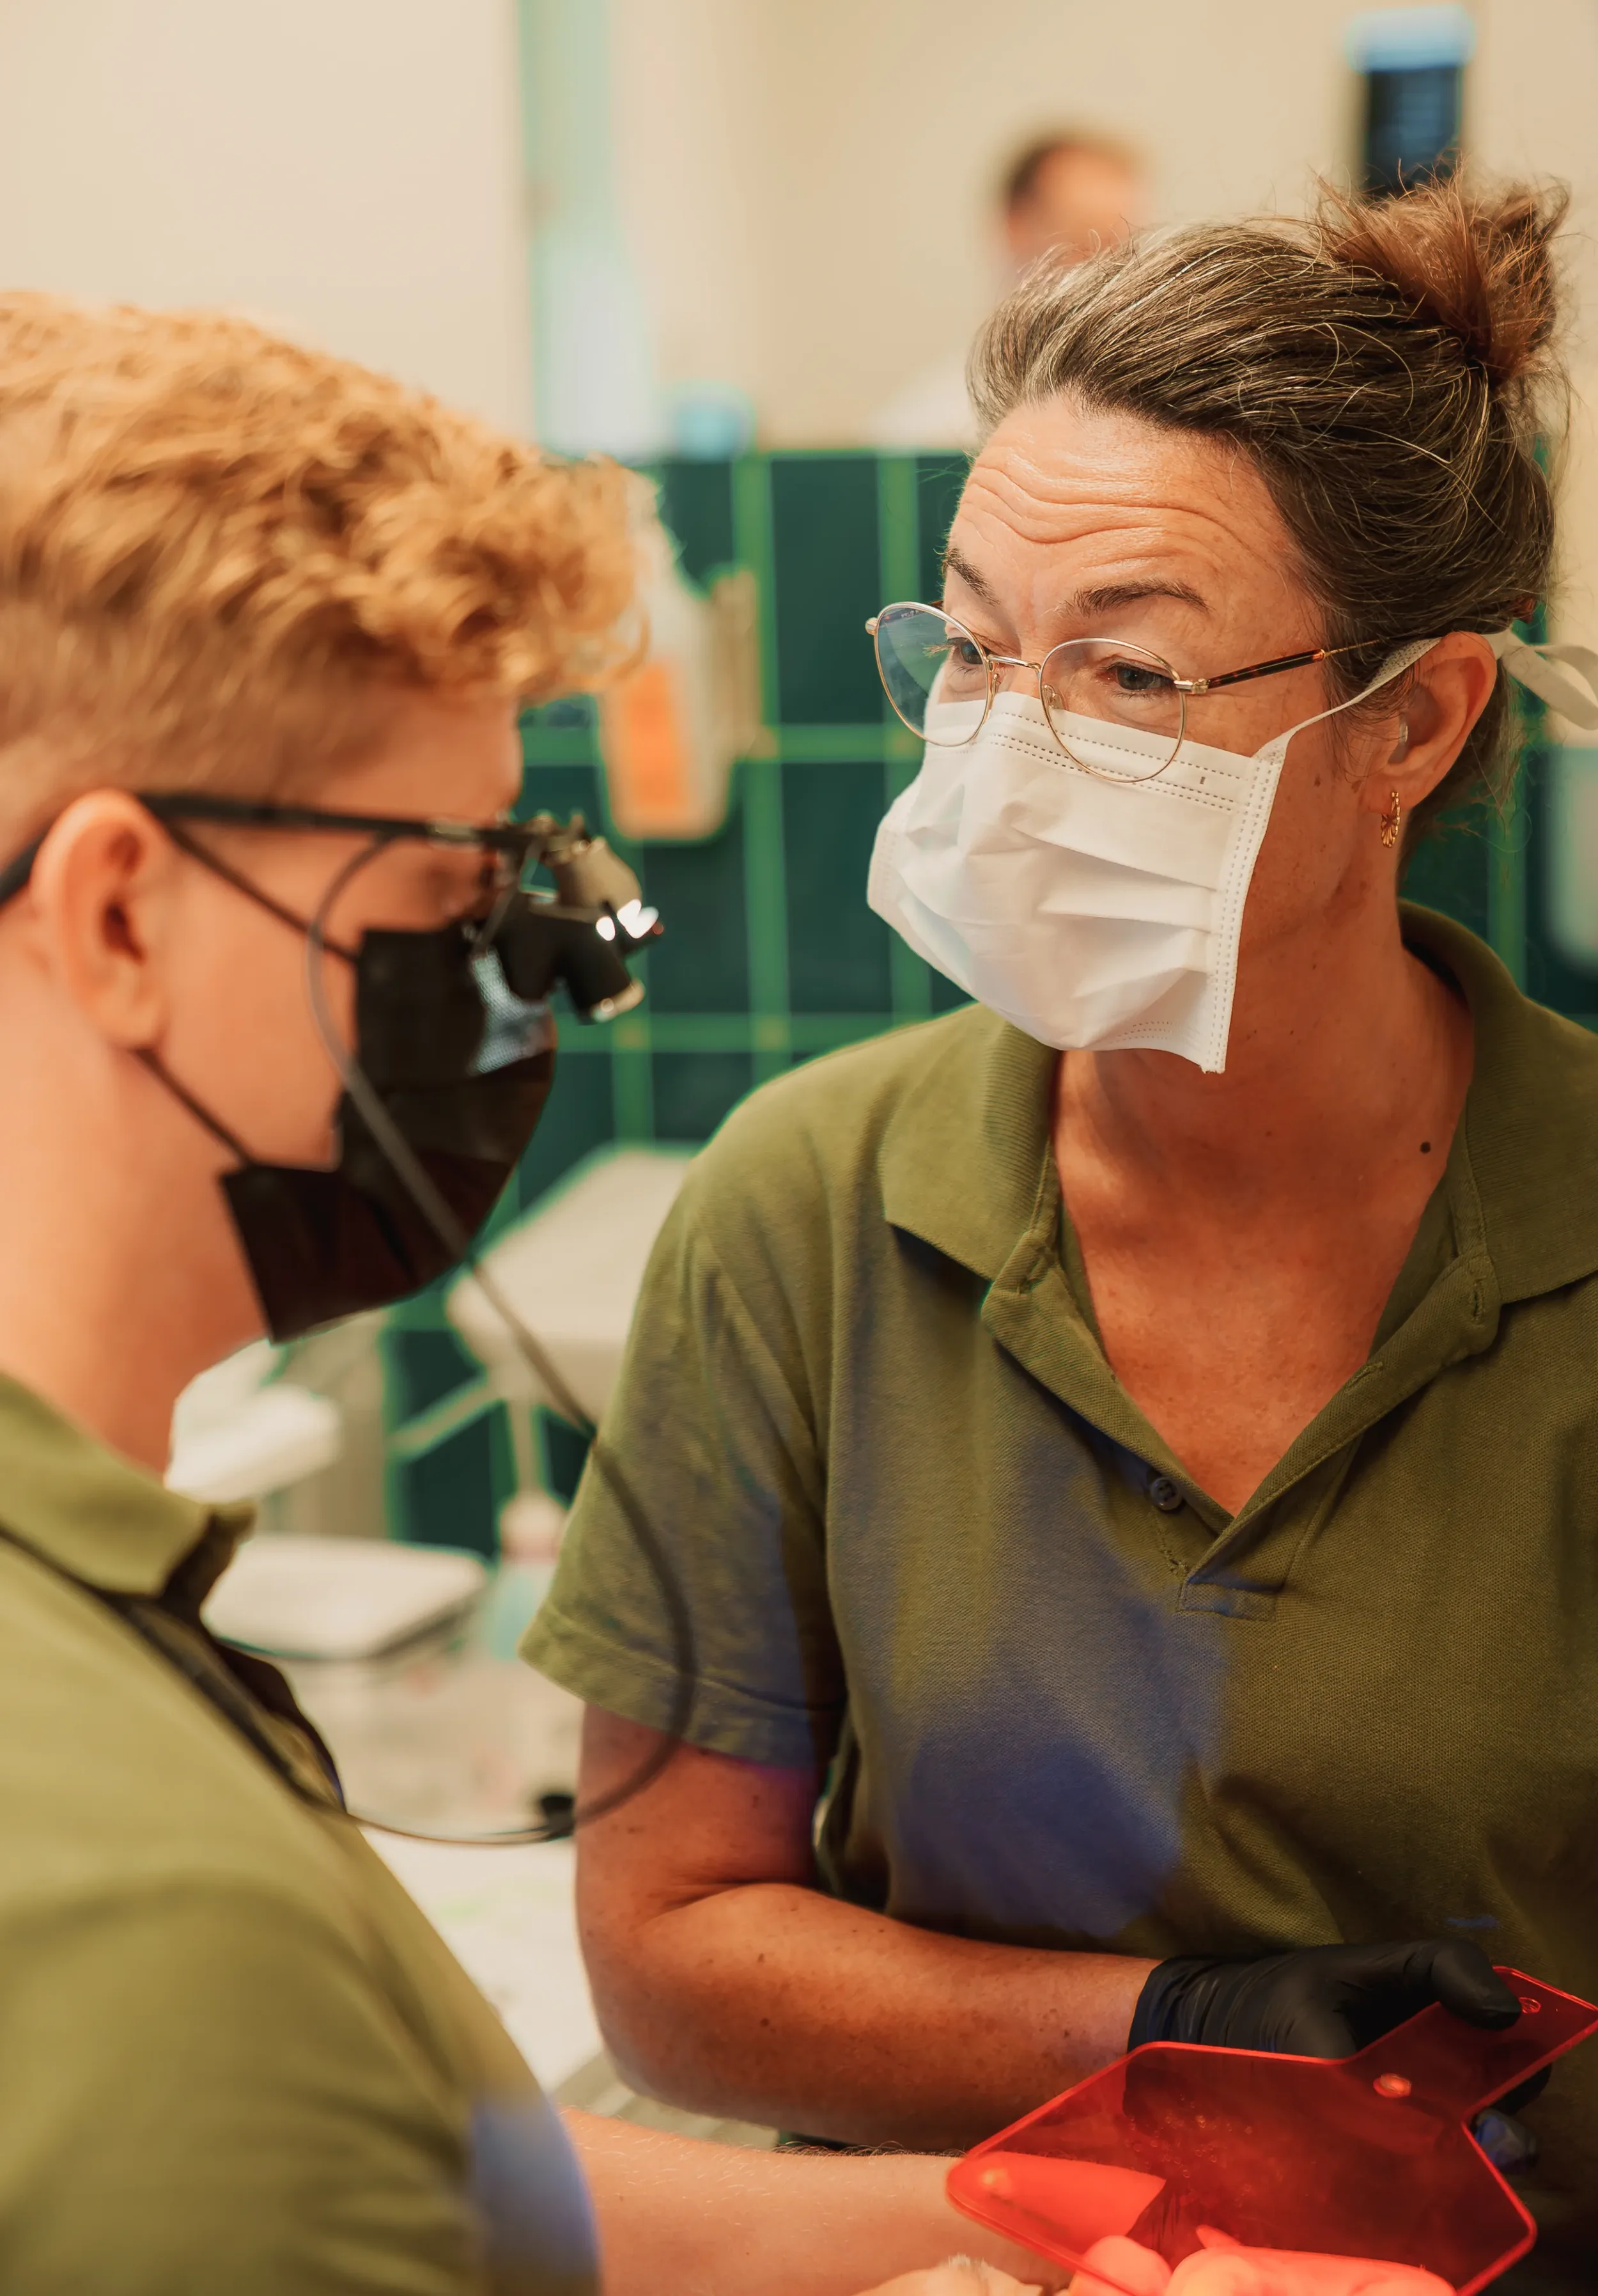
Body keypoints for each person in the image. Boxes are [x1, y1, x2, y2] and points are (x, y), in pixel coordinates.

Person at [527, 178, 1598, 2288]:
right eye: (975, 643)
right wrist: (1174, 2041)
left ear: (1412, 723)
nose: (1011, 745)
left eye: (1129, 665)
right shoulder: (805, 1209)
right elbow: (669, 1954)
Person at [0, 292, 1077, 2294]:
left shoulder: (106, 1628)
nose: (528, 976)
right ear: (121, 911)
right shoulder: (126, 1897)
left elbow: (444, 2178)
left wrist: (1061, 2223)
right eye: (441, 897)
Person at [868, 129, 1147, 451]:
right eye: (1083, 242)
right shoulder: (920, 433)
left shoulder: (1149, 417)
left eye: (1124, 249)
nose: (1106, 272)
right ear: (1013, 226)